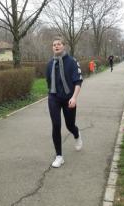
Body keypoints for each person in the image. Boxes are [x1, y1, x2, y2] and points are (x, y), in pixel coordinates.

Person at [46, 37, 83, 168]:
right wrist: (51, 95)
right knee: (56, 125)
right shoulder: (50, 64)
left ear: (64, 46)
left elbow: (78, 81)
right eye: (54, 45)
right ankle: (59, 156)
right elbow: (49, 83)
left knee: (70, 125)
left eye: (59, 44)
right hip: (54, 98)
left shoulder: (72, 62)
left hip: (69, 98)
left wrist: (74, 97)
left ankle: (77, 134)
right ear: (52, 47)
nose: (56, 46)